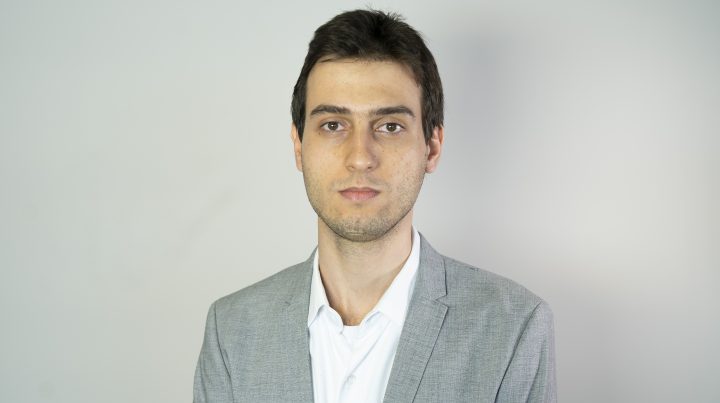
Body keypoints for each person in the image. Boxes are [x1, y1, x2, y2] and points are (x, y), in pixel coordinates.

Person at [194, 9, 556, 403]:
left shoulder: (513, 328)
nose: (360, 158)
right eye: (333, 125)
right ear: (299, 146)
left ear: (432, 147)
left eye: (389, 126)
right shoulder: (231, 331)